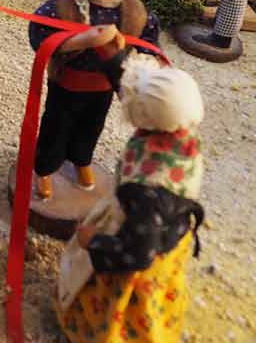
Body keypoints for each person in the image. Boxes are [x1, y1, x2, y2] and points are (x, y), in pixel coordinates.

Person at [55, 55, 205, 343]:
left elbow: (137, 254)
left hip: (140, 248)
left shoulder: (145, 190)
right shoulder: (182, 136)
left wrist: (94, 241)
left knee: (121, 308)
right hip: (169, 230)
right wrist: (109, 55)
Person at [28, 0, 159, 198]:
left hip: (104, 85)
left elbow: (149, 43)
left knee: (91, 127)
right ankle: (44, 169)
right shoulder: (62, 5)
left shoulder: (132, 8)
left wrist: (134, 60)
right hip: (66, 82)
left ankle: (82, 160)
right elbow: (38, 33)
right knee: (56, 126)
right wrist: (80, 41)